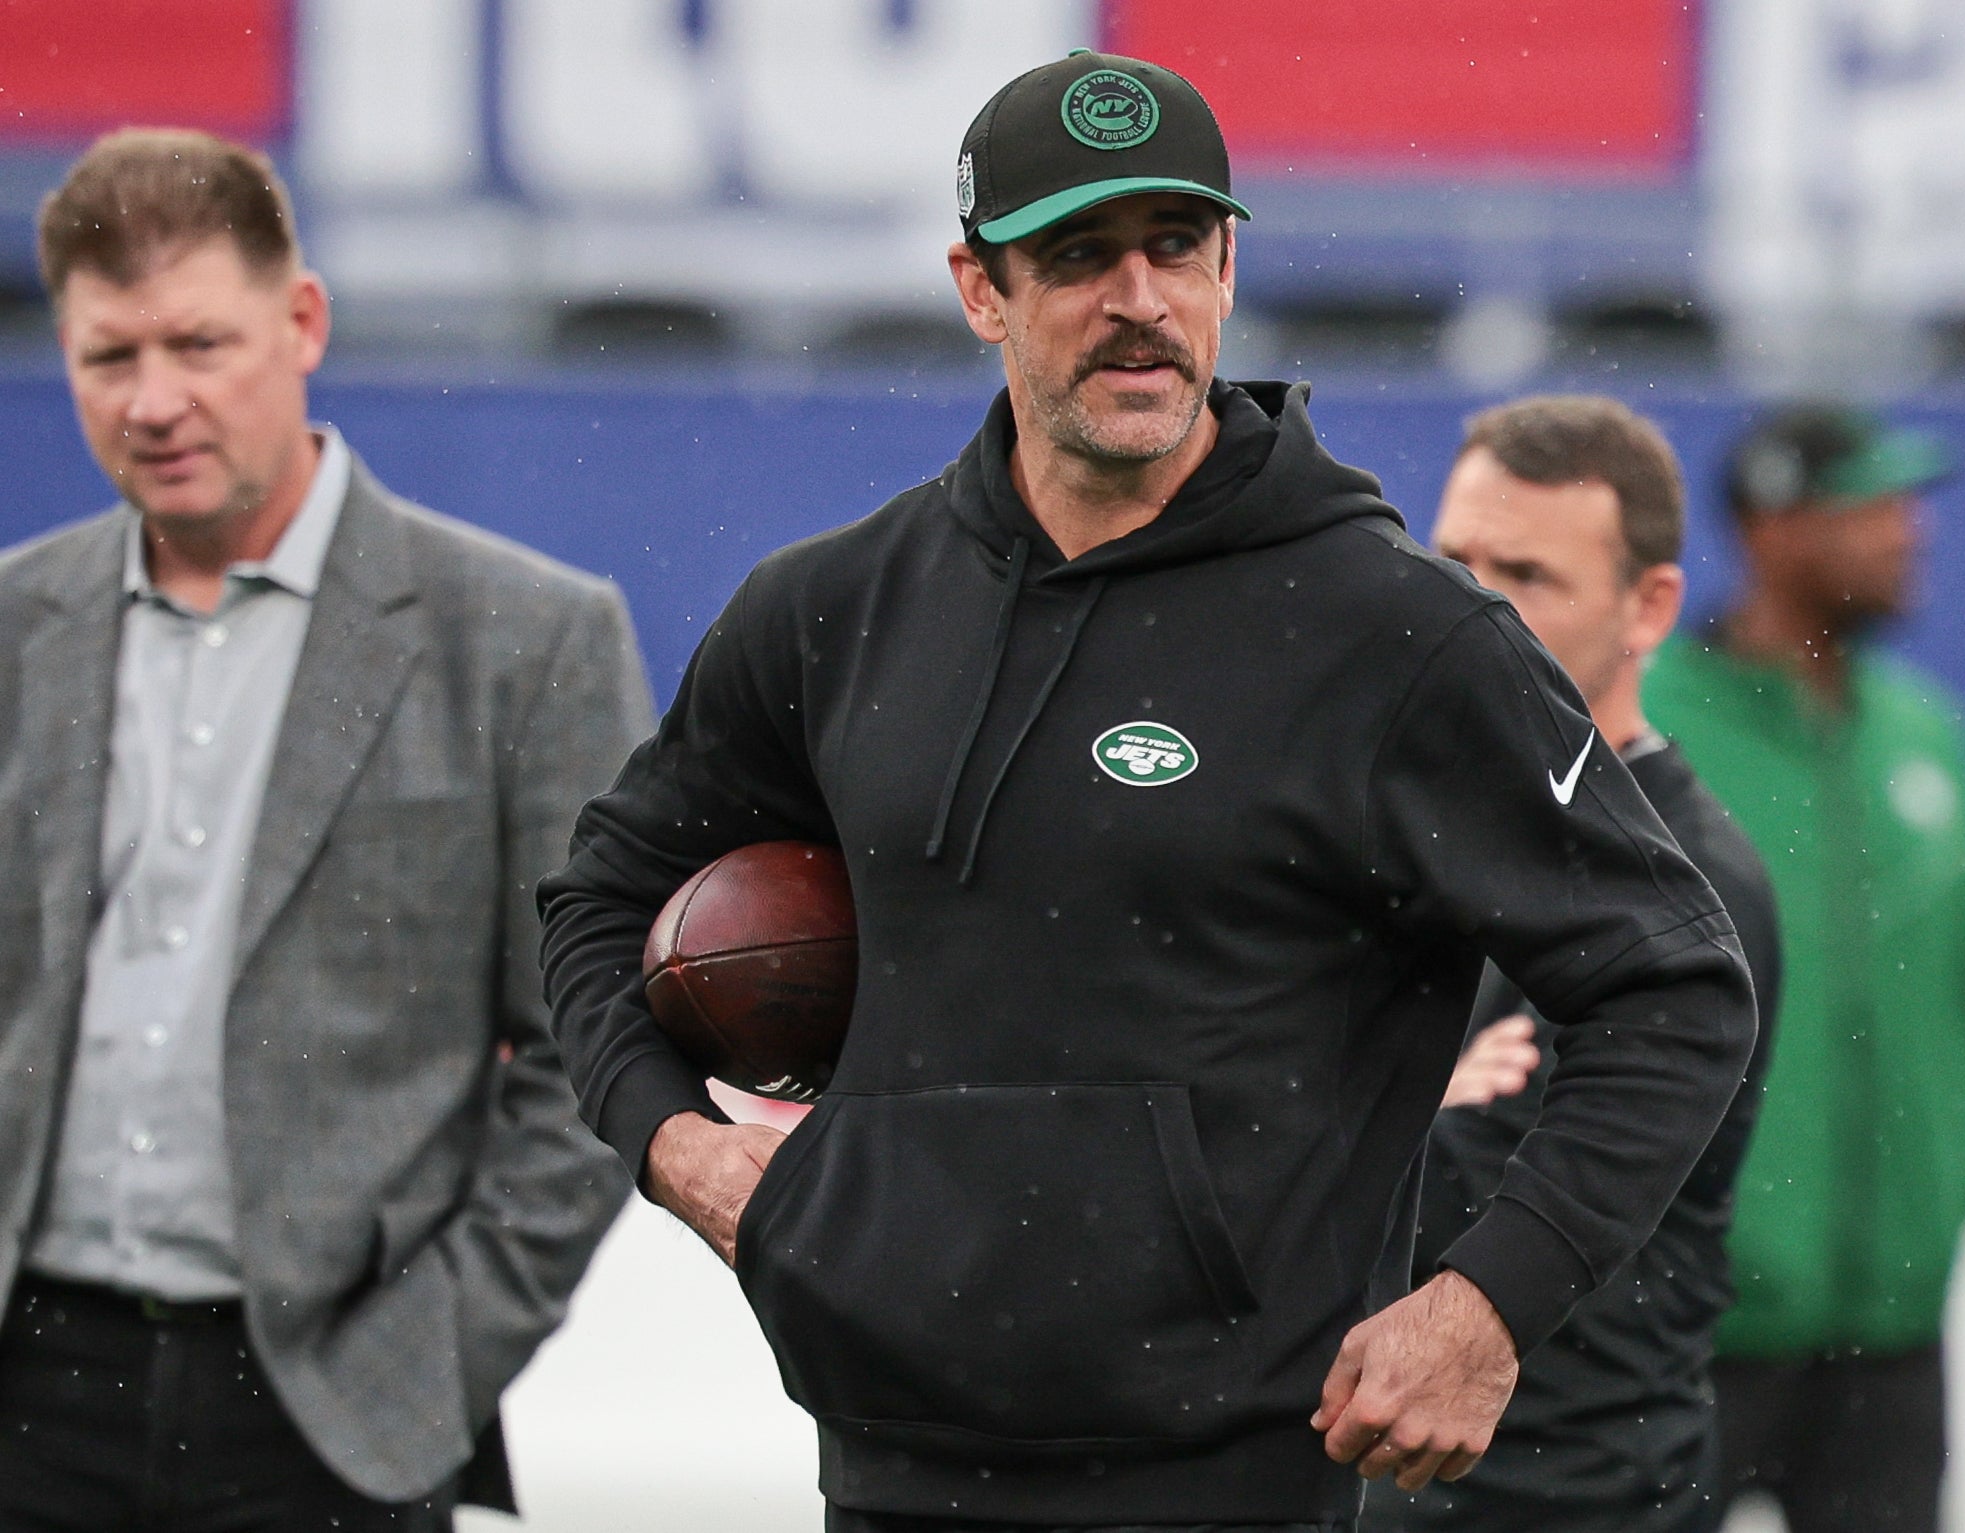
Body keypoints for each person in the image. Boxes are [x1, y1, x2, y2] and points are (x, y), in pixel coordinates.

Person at [539, 52, 1756, 1533]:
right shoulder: (833, 608)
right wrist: (681, 1150)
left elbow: (1675, 986)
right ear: (980, 288)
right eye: (1076, 255)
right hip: (886, 1458)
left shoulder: (1397, 634)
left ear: (1228, 266)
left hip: (1230, 1481)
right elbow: (600, 898)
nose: (1139, 298)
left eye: (1175, 246)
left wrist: (1486, 1304)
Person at [0, 130, 652, 1530]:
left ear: (302, 323)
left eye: (198, 343)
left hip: (328, 1414)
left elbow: (591, 1051)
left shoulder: (527, 640)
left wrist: (425, 1371)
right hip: (27, 1390)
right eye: (110, 357)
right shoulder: (13, 627)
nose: (156, 399)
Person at [1364, 397, 1782, 1533]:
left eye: (1528, 575)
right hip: (1397, 1479)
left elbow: (1463, 1196)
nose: (1472, 605)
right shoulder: (1413, 828)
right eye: (1453, 561)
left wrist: (1341, 1096)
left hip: (1569, 1493)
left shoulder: (1689, 884)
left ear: (1648, 606)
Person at [1643, 405, 1965, 1532]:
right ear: (1772, 530)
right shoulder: (1646, 724)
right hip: (1686, 1328)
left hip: (1893, 1326)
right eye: (1871, 507)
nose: (1909, 532)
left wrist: (1942, 1205)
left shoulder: (1929, 733)